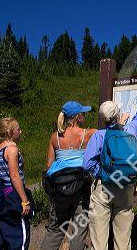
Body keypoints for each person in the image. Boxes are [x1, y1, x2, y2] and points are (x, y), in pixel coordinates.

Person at [83, 92, 137, 250]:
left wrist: (102, 172)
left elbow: (87, 164)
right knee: (123, 240)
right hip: (125, 188)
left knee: (99, 242)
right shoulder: (130, 131)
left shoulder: (99, 136)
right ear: (118, 115)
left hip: (103, 189)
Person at [40, 101, 96, 250]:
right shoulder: (88, 134)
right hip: (81, 188)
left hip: (60, 190)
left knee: (55, 230)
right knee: (79, 227)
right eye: (83, 113)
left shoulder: (55, 137)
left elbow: (49, 166)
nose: (84, 115)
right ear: (78, 116)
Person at [0, 117, 32, 250]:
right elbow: (14, 175)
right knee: (19, 234)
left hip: (2, 194)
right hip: (13, 195)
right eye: (18, 129)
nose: (21, 131)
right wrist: (24, 200)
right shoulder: (12, 149)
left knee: (2, 231)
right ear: (10, 132)